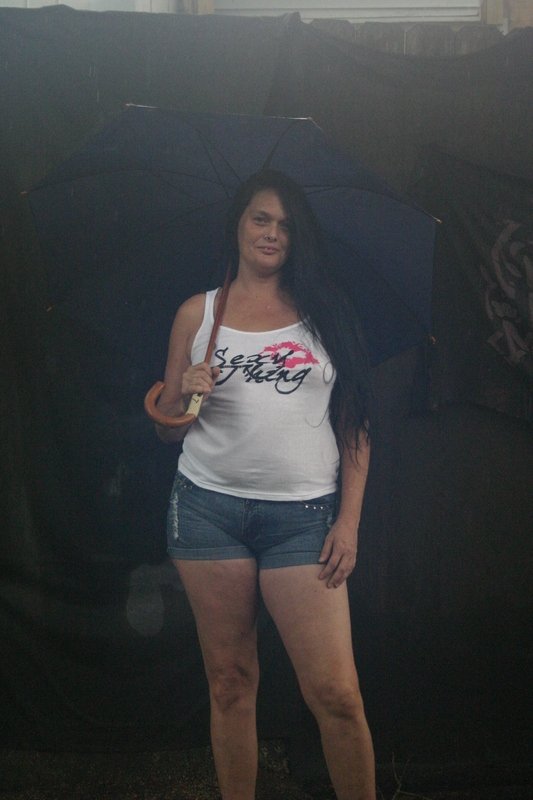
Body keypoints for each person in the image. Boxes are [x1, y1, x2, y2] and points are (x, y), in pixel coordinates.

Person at [154, 169, 375, 800]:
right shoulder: (199, 313)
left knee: (336, 693)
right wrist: (184, 391)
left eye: (285, 224)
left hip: (304, 520)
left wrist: (348, 522)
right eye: (261, 218)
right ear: (238, 225)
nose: (272, 233)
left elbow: (356, 424)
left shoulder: (325, 312)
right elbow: (167, 429)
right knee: (230, 684)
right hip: (208, 512)